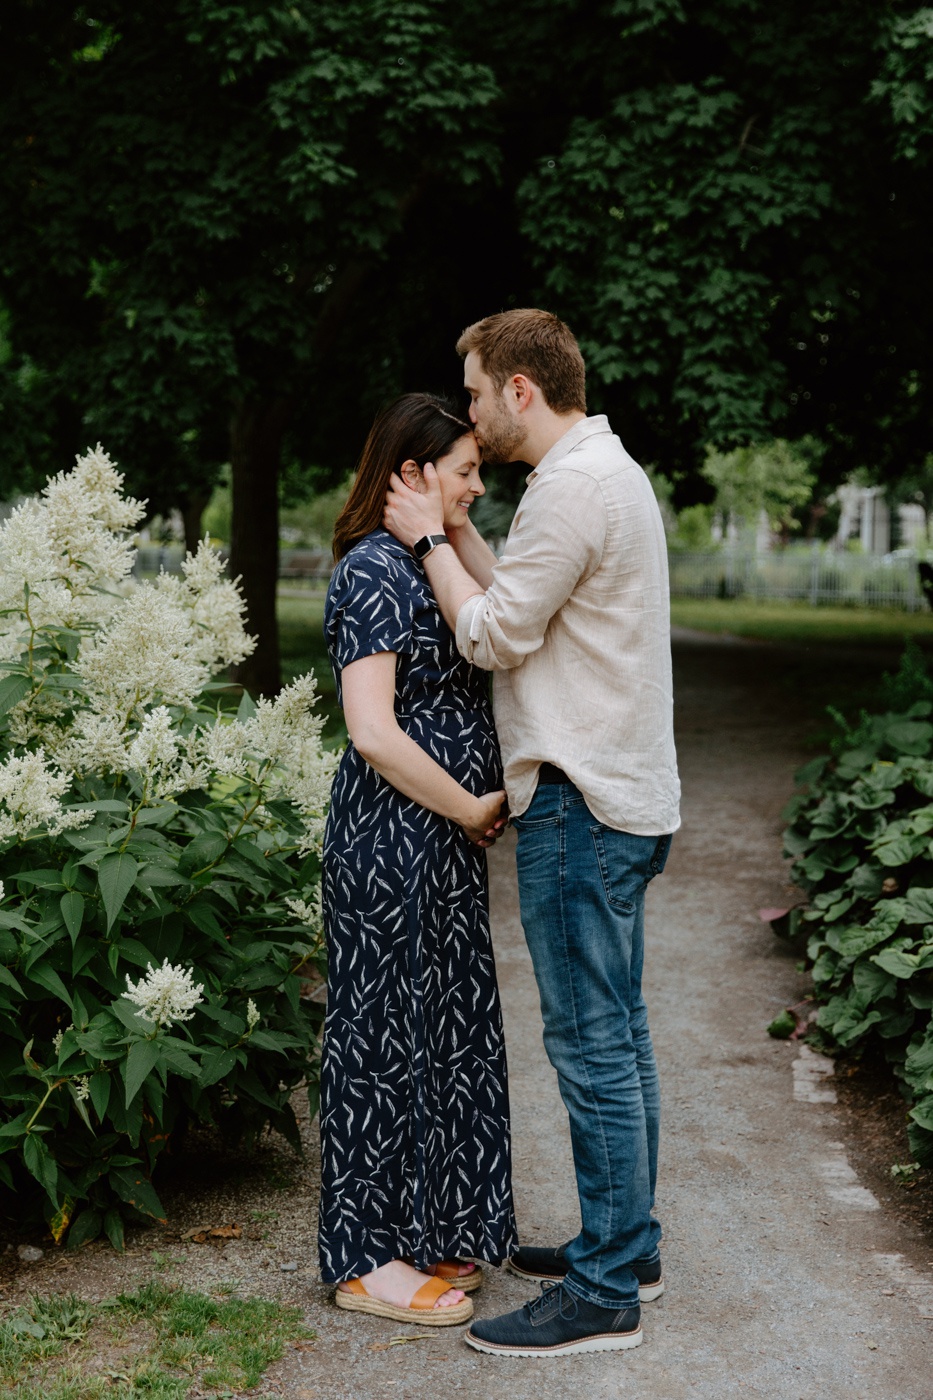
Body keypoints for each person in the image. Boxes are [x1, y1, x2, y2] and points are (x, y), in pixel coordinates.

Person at [383, 309, 681, 1357]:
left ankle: (604, 1293)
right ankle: (626, 1240)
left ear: (519, 389)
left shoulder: (567, 489)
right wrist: (460, 535)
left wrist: (424, 538)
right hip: (627, 793)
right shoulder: (607, 474)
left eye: (472, 392)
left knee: (590, 1043)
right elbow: (525, 587)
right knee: (623, 1030)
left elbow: (498, 631)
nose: (466, 412)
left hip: (576, 796)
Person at [317, 392, 517, 1329]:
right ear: (410, 473)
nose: (479, 484)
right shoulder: (371, 572)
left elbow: (504, 617)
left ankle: (429, 1221)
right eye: (463, 469)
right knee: (380, 1042)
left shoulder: (422, 564)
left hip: (437, 842)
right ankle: (363, 1259)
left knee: (441, 1032)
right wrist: (472, 804)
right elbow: (372, 735)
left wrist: (449, 526)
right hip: (391, 840)